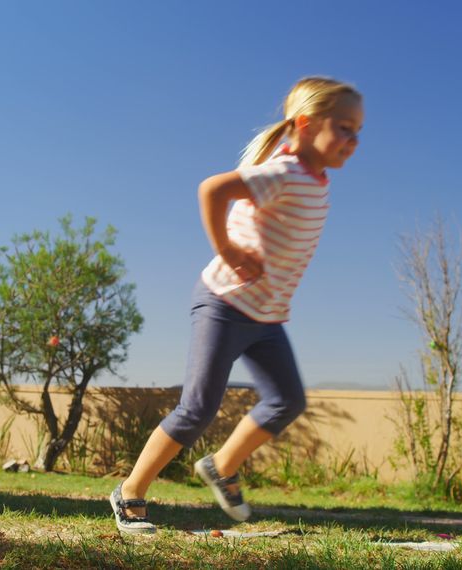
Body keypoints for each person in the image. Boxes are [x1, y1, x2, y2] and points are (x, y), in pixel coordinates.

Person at [110, 77, 364, 534]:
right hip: (224, 304)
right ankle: (130, 493)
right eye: (344, 128)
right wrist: (228, 251)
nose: (353, 140)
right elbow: (213, 189)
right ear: (305, 125)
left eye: (357, 131)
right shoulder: (283, 172)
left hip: (266, 317)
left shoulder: (316, 180)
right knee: (197, 408)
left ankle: (223, 465)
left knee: (287, 400)